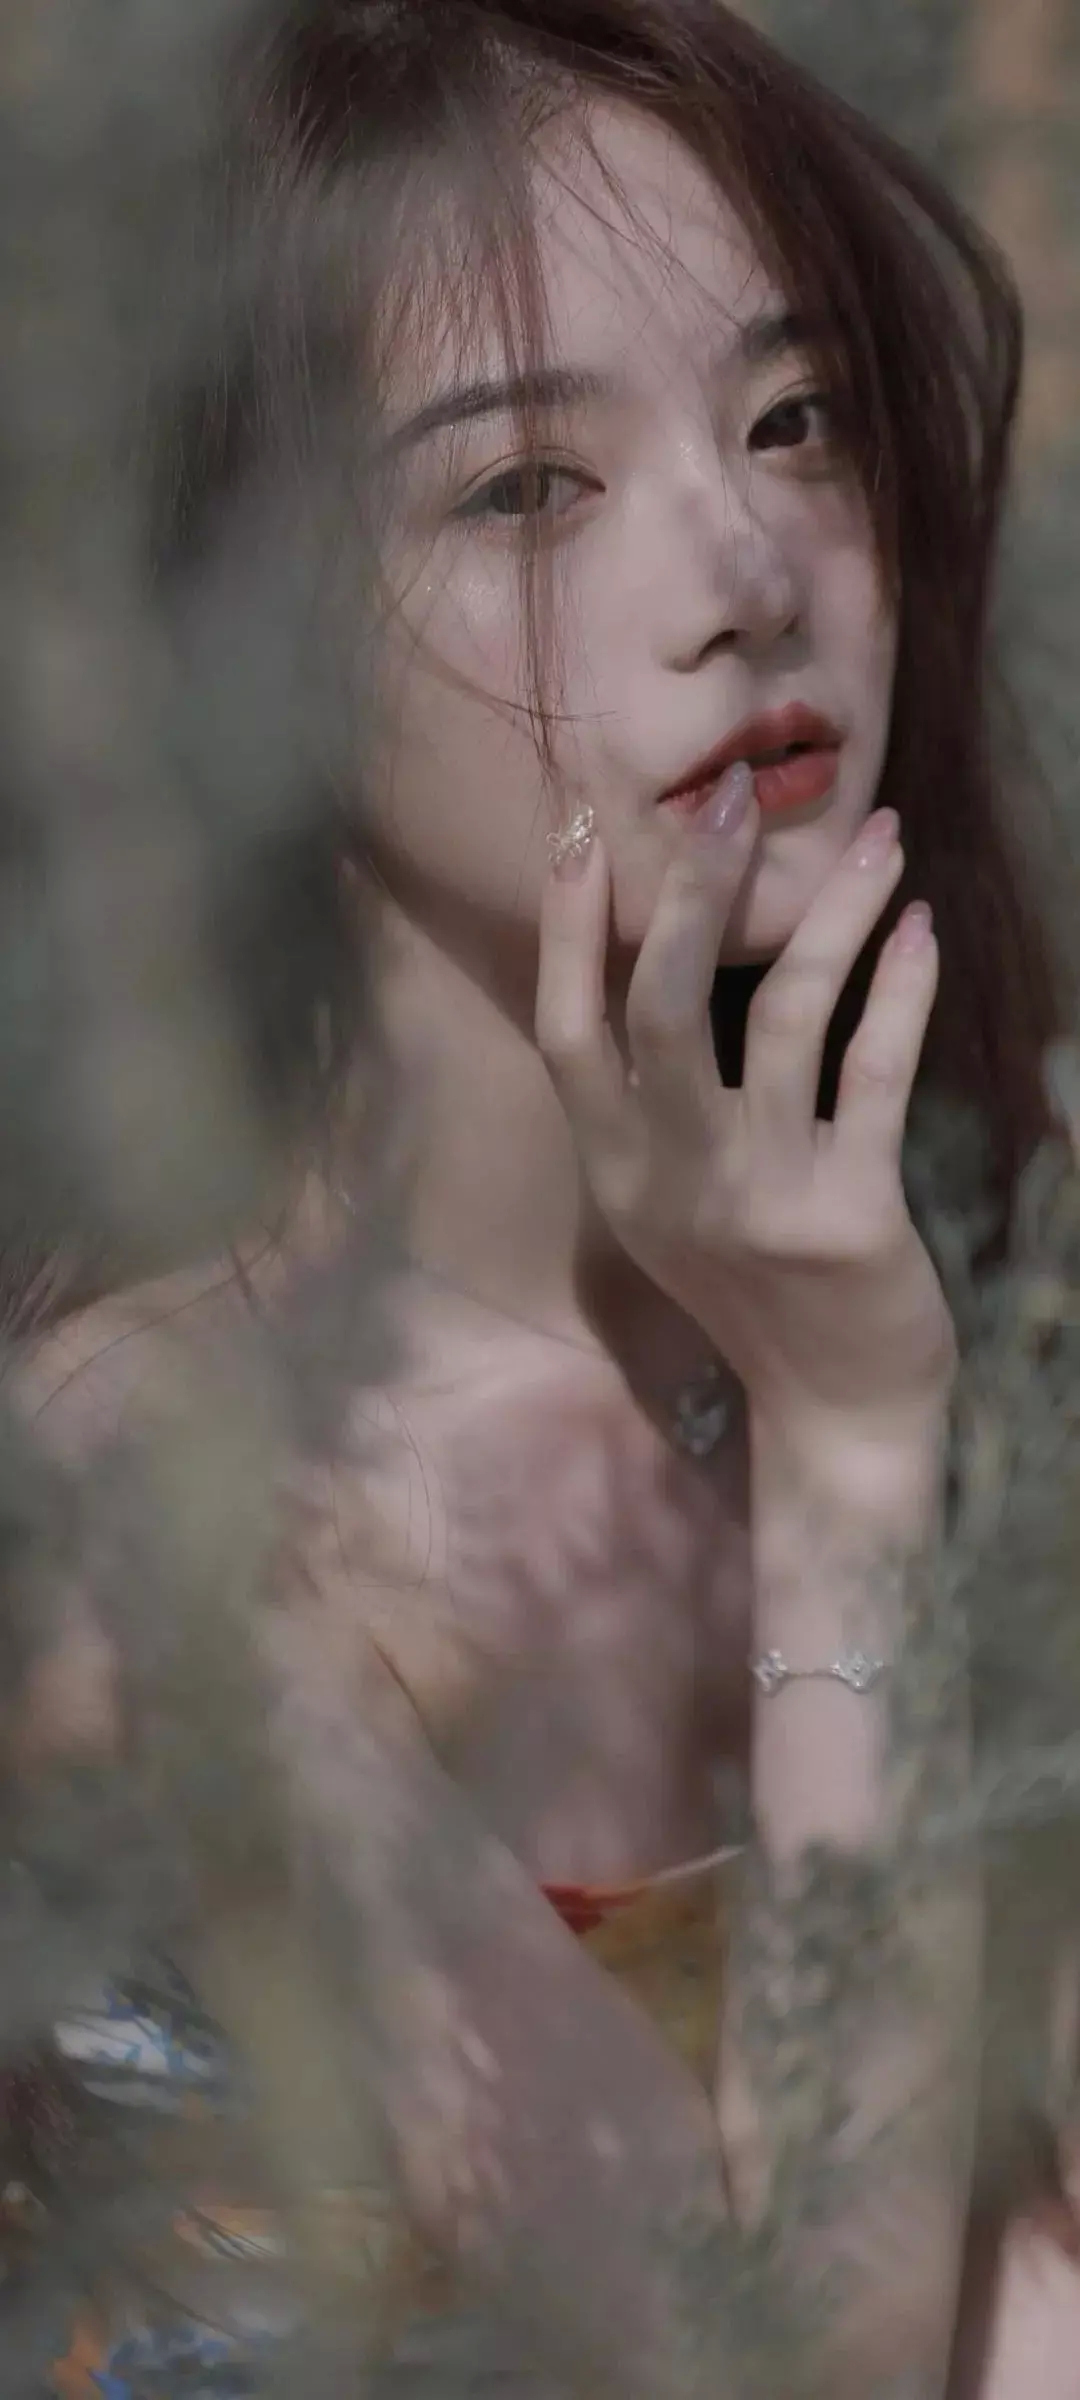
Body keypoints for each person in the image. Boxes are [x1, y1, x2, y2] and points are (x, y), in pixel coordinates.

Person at [7, 2, 1080, 2393]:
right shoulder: (154, 1499)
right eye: (522, 488)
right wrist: (856, 1441)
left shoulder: (984, 1258)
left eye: (795, 420)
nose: (744, 562)